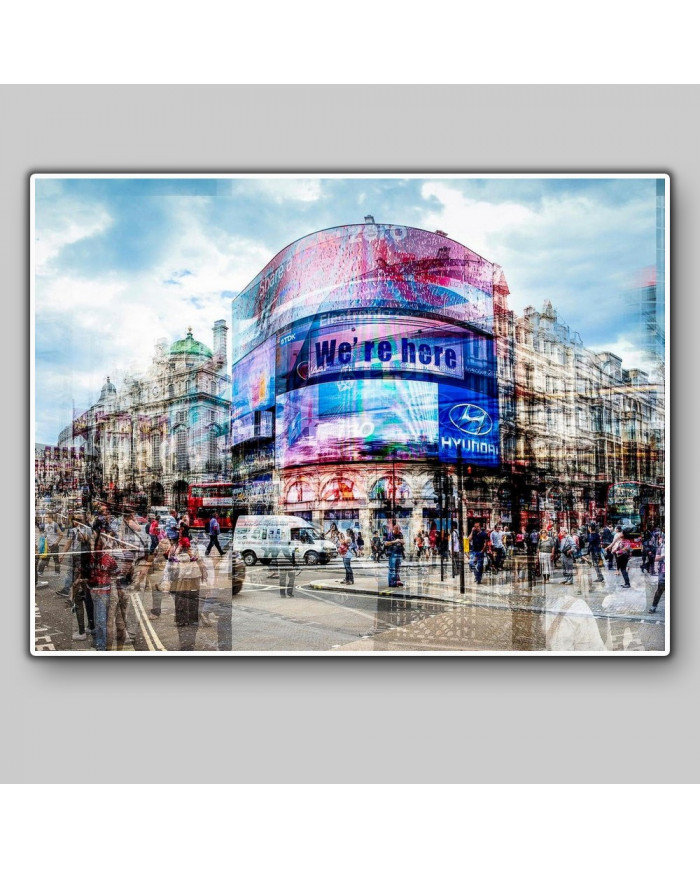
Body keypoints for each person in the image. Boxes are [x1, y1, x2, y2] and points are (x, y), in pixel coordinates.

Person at [87, 536, 118, 651]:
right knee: (95, 617)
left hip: (103, 592)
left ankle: (101, 646)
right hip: (91, 591)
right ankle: (98, 641)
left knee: (100, 619)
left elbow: (116, 573)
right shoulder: (89, 558)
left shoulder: (108, 559)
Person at [38, 512, 63, 577]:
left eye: (46, 517)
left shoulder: (55, 525)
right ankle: (40, 572)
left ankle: (57, 572)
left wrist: (56, 542)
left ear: (50, 517)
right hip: (47, 545)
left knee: (56, 560)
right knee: (44, 559)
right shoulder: (45, 525)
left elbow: (61, 534)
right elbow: (44, 534)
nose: (45, 519)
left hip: (54, 546)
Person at [648, 533, 665, 613]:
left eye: (660, 538)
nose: (659, 540)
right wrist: (664, 556)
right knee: (660, 589)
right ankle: (653, 607)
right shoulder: (661, 547)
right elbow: (656, 558)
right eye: (659, 538)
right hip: (663, 571)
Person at [384, 522, 405, 587]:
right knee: (392, 568)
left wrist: (401, 541)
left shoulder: (400, 534)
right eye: (397, 531)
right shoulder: (389, 535)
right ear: (394, 529)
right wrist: (395, 541)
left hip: (399, 552)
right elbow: (385, 543)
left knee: (397, 568)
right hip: (392, 553)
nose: (398, 532)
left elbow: (403, 542)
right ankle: (392, 583)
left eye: (399, 531)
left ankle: (397, 581)